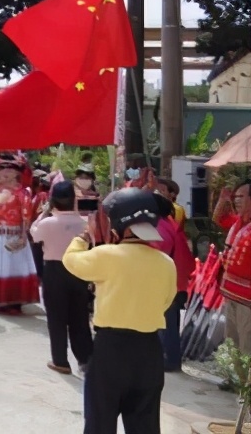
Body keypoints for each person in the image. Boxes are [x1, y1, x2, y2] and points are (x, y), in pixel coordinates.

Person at [63, 188, 177, 434]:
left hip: (111, 350)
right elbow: (166, 301)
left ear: (119, 225)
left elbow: (70, 260)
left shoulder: (107, 255)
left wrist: (84, 237)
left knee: (100, 422)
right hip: (149, 351)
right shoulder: (167, 264)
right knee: (145, 425)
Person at [29, 182, 93, 375]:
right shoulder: (84, 223)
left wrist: (44, 213)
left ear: (53, 200)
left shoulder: (47, 223)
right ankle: (86, 359)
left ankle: (60, 360)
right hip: (79, 269)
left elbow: (34, 234)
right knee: (79, 317)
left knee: (56, 318)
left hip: (55, 271)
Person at [0, 156, 40, 313]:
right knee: (2, 267)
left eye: (7, 172)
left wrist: (22, 236)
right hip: (0, 235)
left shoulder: (23, 192)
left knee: (14, 268)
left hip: (14, 235)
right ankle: (0, 299)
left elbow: (26, 215)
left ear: (15, 174)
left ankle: (14, 301)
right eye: (1, 172)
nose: (2, 175)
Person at [149, 193, 194, 372]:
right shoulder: (168, 224)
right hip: (176, 279)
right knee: (170, 322)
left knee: (166, 323)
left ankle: (169, 359)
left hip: (168, 281)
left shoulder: (160, 227)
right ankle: (171, 358)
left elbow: (158, 255)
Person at [218, 180, 251, 355]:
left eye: (241, 196)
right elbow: (219, 218)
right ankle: (234, 380)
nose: (236, 200)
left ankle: (245, 382)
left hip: (248, 299)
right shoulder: (238, 222)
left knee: (247, 345)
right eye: (235, 196)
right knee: (232, 343)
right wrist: (223, 200)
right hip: (230, 293)